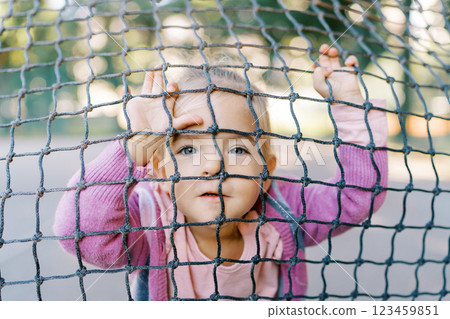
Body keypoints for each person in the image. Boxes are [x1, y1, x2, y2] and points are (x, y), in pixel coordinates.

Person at [54, 44, 388, 301]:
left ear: (265, 172)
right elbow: (80, 234)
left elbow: (356, 197)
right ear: (159, 168)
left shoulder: (285, 210)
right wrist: (133, 147)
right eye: (188, 149)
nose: (214, 166)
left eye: (239, 150)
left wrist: (351, 107)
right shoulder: (149, 218)